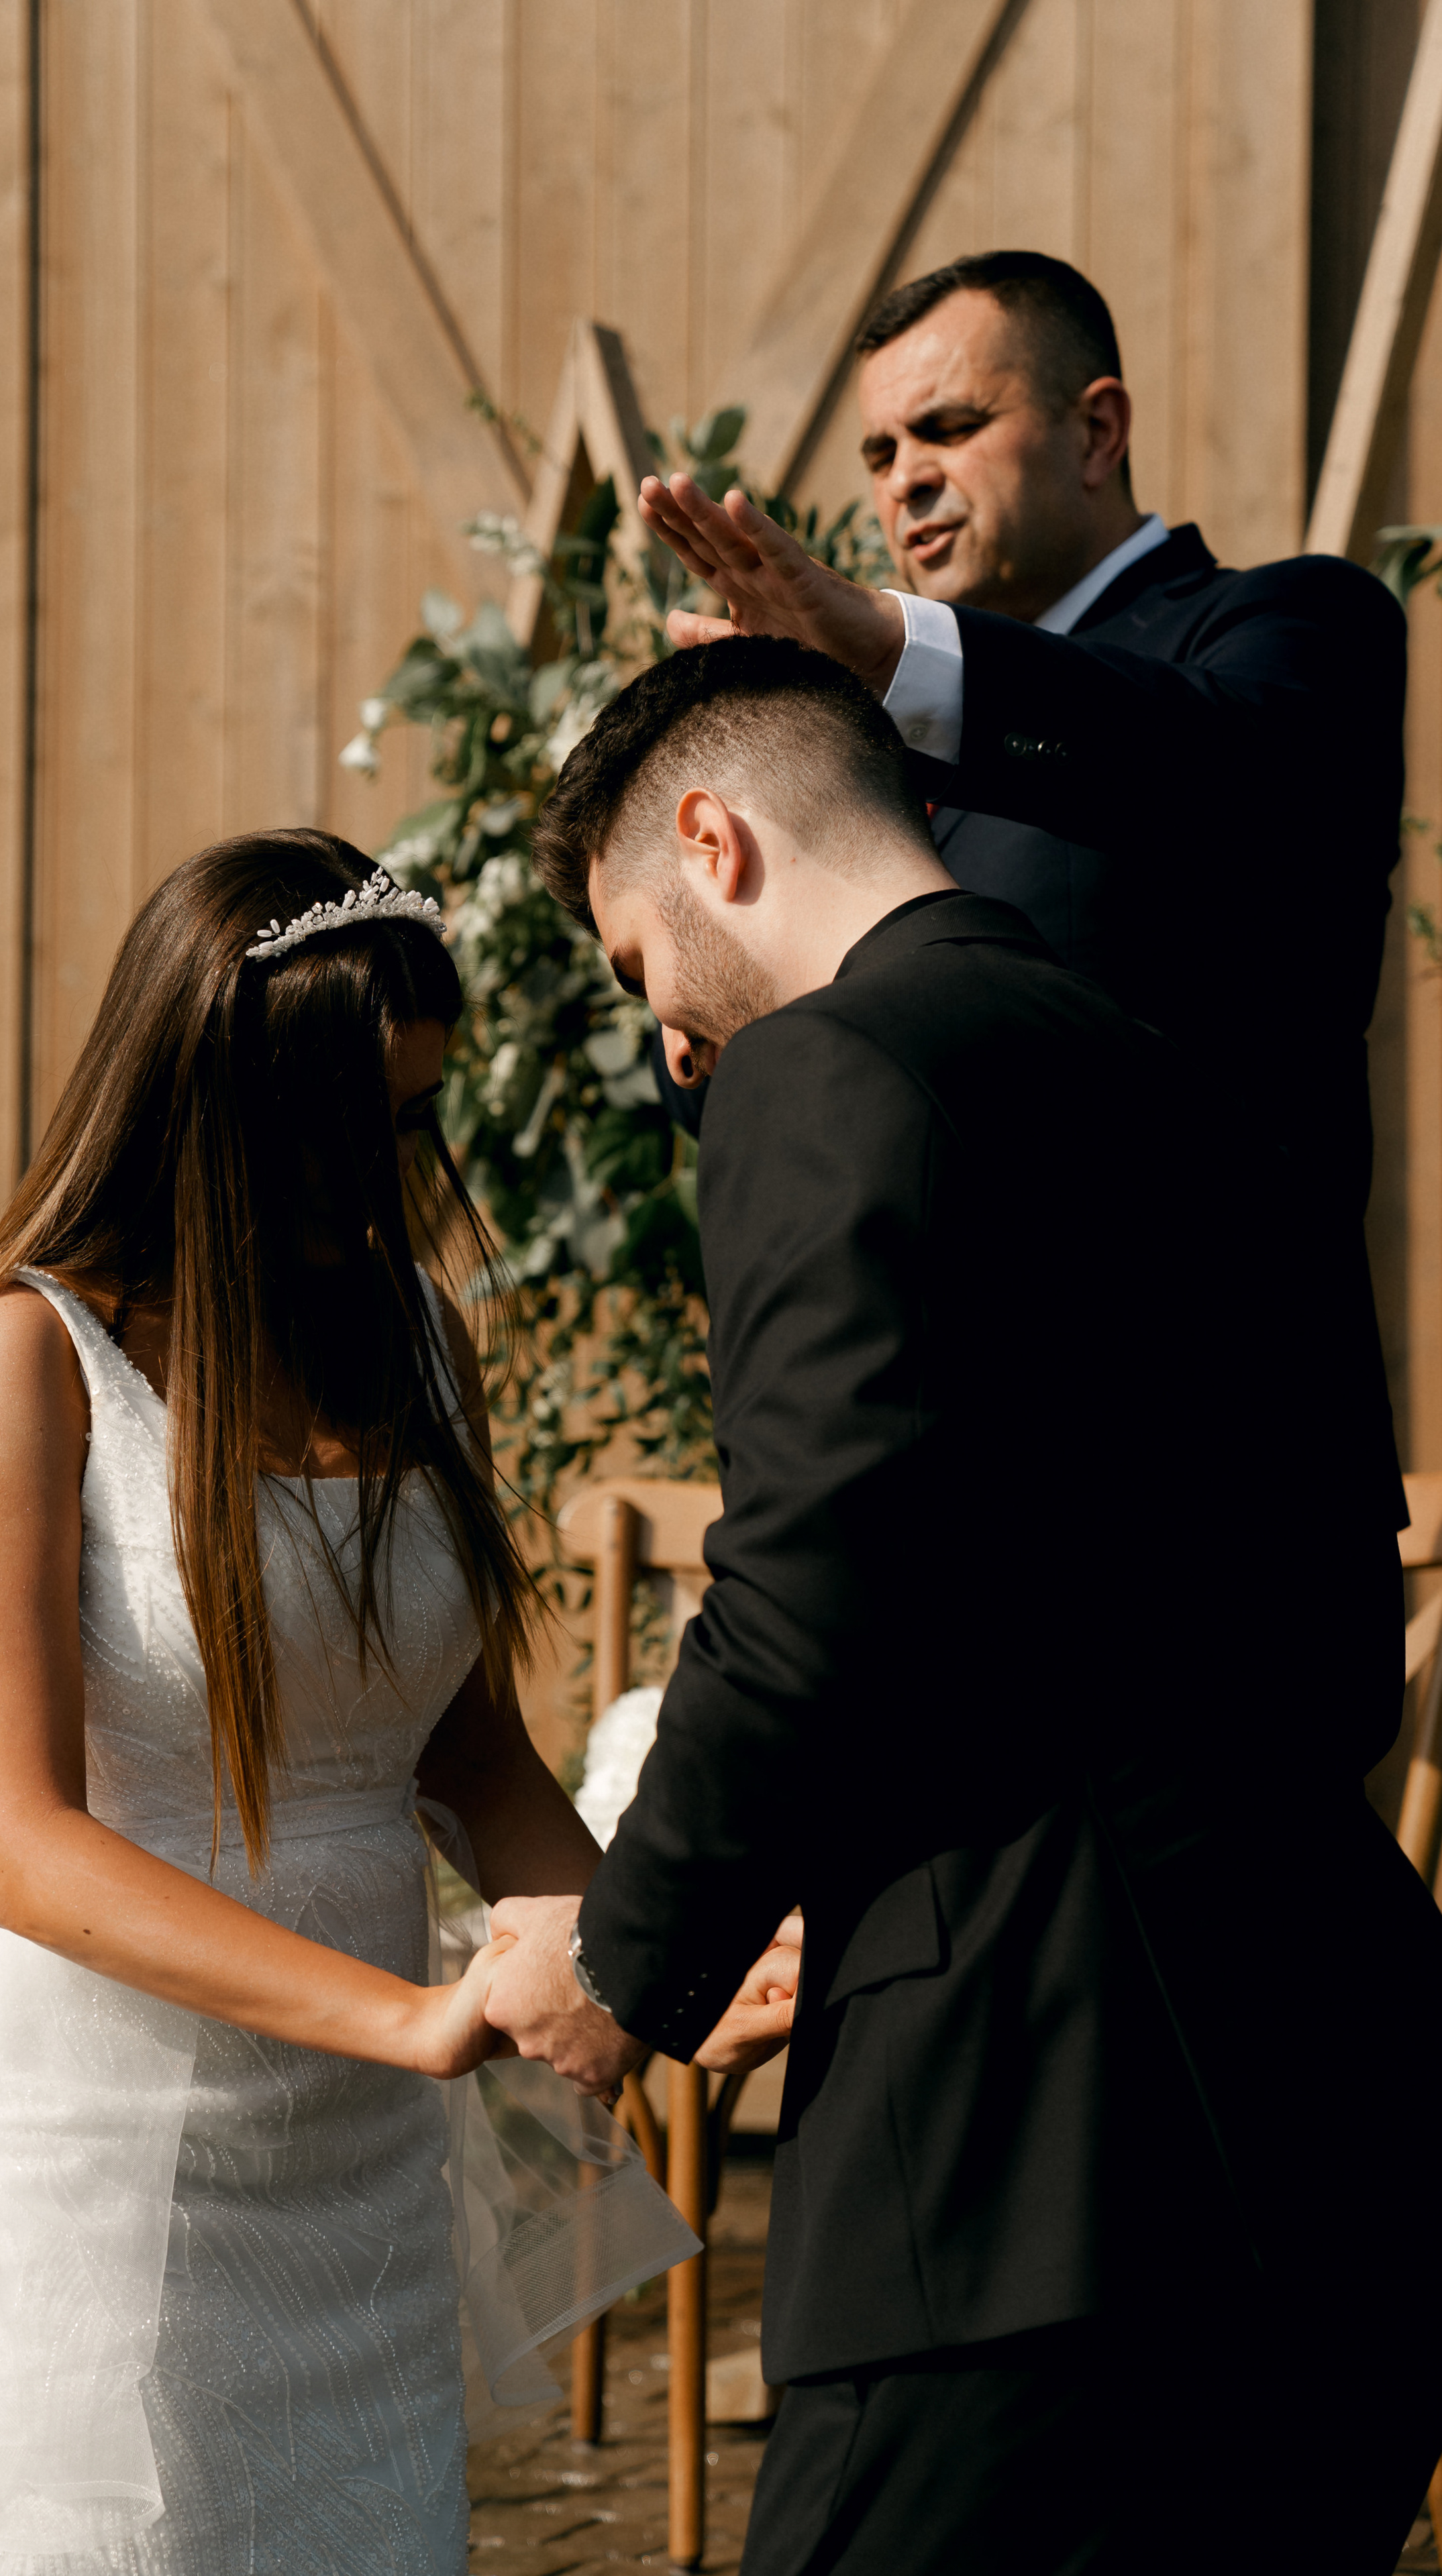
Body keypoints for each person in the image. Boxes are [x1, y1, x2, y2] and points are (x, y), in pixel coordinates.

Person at [484, 635, 1442, 2576]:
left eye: (635, 965)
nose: (667, 1041)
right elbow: (1334, 1602)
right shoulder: (1198, 1076)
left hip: (1025, 2170)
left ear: (712, 839)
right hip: (1347, 2126)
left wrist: (620, 1963)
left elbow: (813, 1581)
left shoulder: (833, 1068)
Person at [0, 831, 697, 2576]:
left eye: (424, 1118)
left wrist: (625, 1941)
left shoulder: (417, 1341)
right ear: (219, 1110)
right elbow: (12, 1843)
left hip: (361, 2171)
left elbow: (467, 1753)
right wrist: (403, 2018)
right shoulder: (27, 1363)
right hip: (91, 2143)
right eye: (371, 1130)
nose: (412, 1178)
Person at [637, 250, 1404, 1489]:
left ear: (1097, 429)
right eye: (880, 454)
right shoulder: (854, 739)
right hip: (932, 1492)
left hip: (1211, 1482)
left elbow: (1208, 762)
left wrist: (899, 656)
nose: (907, 480)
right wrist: (692, 980)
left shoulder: (1294, 629)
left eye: (949, 426)